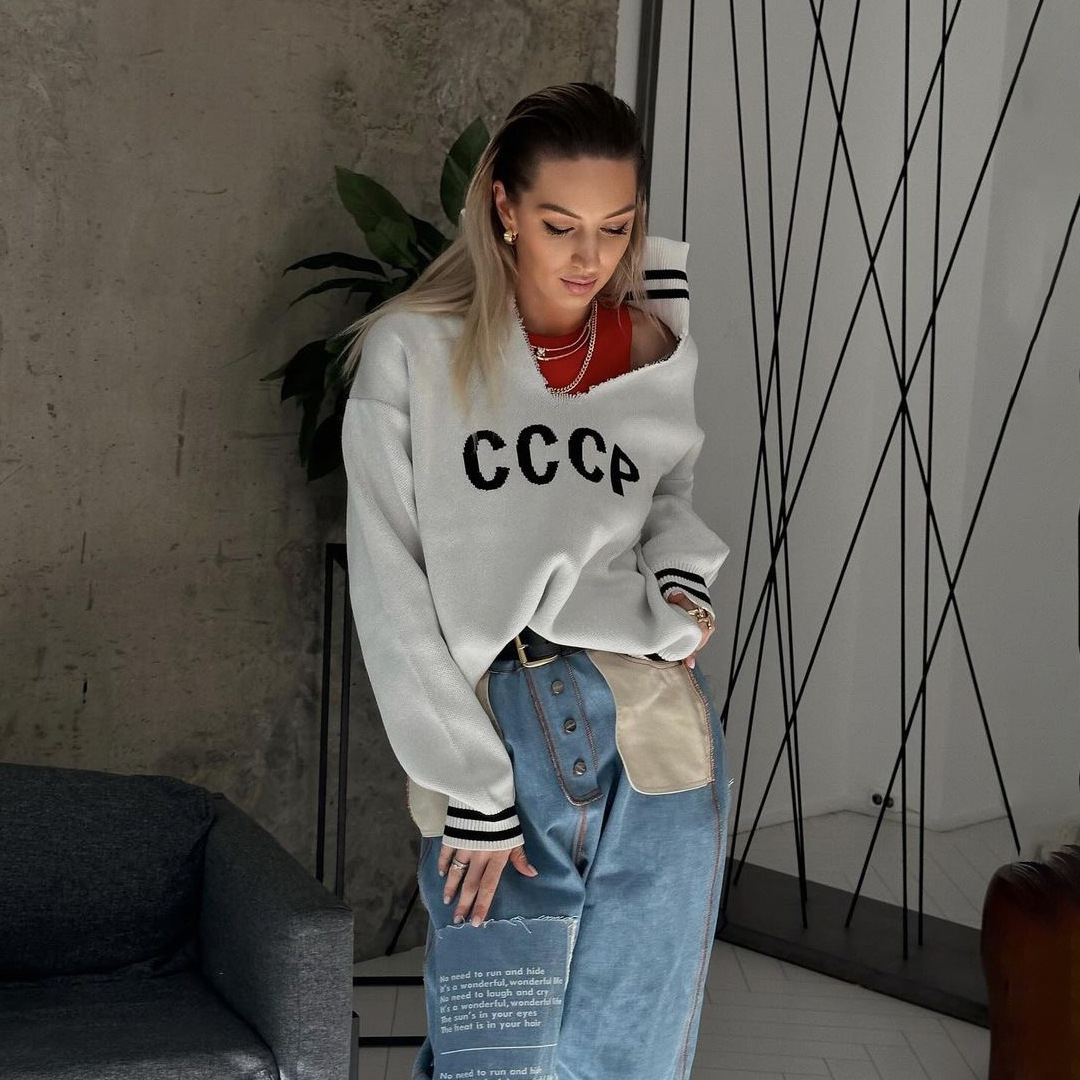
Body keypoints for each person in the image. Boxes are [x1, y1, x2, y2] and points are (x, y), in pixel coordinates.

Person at [339, 81, 733, 1080]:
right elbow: (389, 587)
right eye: (560, 225)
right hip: (500, 732)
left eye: (616, 226)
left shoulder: (650, 347)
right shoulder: (412, 353)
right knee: (492, 1059)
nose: (589, 256)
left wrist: (681, 587)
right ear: (505, 207)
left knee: (632, 1056)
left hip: (647, 716)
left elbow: (671, 494)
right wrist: (470, 785)